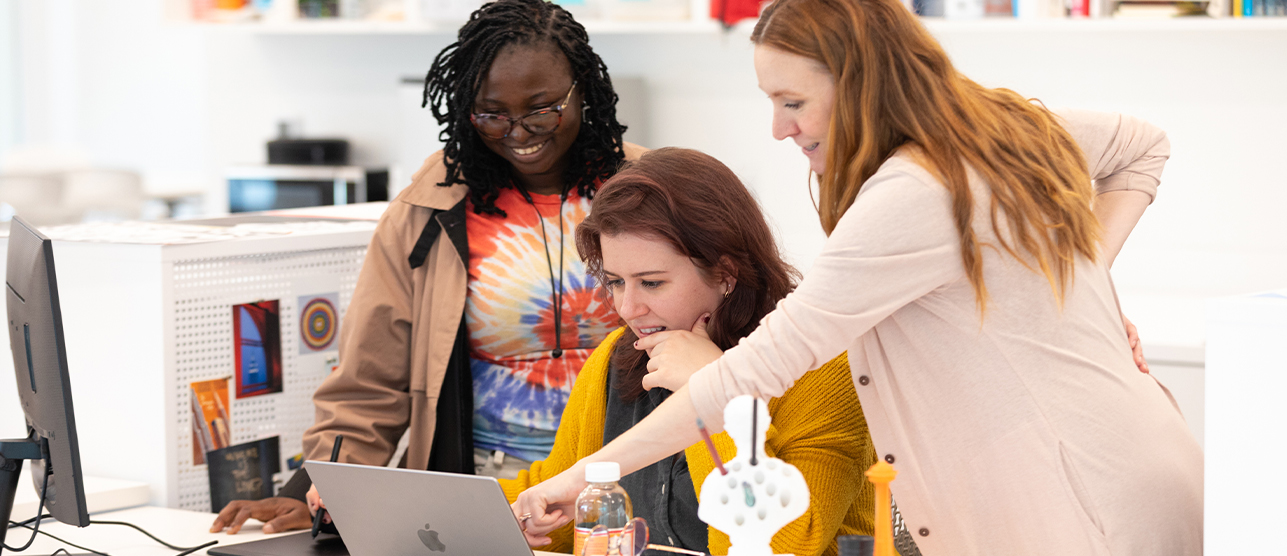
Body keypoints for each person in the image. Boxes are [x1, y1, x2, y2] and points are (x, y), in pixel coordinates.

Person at [513, 0, 1204, 554]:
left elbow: (761, 365)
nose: (779, 128)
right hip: (1118, 459)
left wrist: (580, 479)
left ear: (860, 85)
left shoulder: (910, 195)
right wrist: (1078, 291)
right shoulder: (991, 126)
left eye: (792, 101)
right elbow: (1141, 145)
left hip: (1076, 492)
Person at [210, 0, 646, 534]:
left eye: (542, 108)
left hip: (629, 487)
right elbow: (370, 381)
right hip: (489, 497)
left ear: (583, 88)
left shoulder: (650, 190)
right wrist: (311, 492)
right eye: (491, 113)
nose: (519, 131)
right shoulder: (428, 209)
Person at [498, 147, 889, 556]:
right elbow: (564, 508)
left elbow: (781, 545)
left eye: (651, 283)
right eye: (615, 282)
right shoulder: (616, 357)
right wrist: (521, 517)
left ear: (725, 274)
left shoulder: (824, 372)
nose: (628, 308)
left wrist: (712, 390)